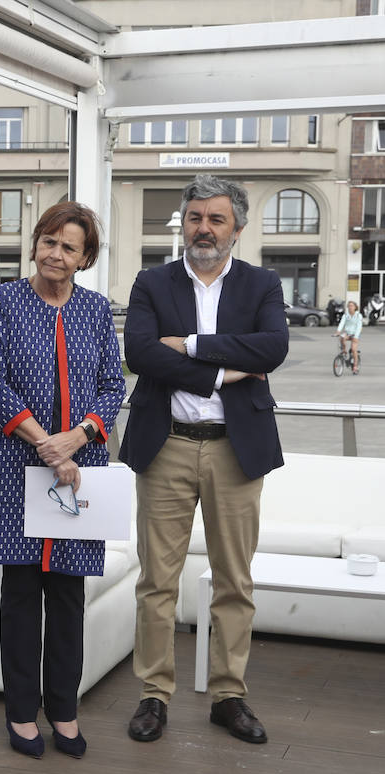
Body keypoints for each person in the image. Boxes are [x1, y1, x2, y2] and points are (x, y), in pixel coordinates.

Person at [120, 174, 289, 745]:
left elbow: (274, 348)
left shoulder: (262, 284)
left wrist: (188, 344)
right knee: (156, 581)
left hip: (235, 451)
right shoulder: (151, 282)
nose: (204, 228)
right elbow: (139, 352)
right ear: (183, 223)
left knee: (234, 581)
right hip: (164, 445)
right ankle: (154, 694)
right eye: (195, 217)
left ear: (236, 229)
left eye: (217, 219)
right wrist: (223, 368)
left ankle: (228, 694)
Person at [0, 202, 126, 759]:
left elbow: (114, 385)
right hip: (18, 467)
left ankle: (63, 708)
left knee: (67, 596)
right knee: (19, 594)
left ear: (84, 258)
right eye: (48, 241)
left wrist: (77, 439)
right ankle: (20, 713)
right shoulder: (6, 302)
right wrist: (46, 443)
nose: (55, 254)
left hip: (78, 471)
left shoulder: (93, 310)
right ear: (35, 243)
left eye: (69, 247)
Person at [336, 299, 362, 374]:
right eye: (349, 306)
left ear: (355, 307)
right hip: (347, 333)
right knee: (342, 338)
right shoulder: (346, 315)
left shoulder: (358, 315)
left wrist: (356, 336)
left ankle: (355, 366)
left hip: (355, 334)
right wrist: (338, 331)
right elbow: (342, 323)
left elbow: (359, 326)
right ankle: (344, 351)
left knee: (354, 350)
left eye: (351, 306)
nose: (350, 307)